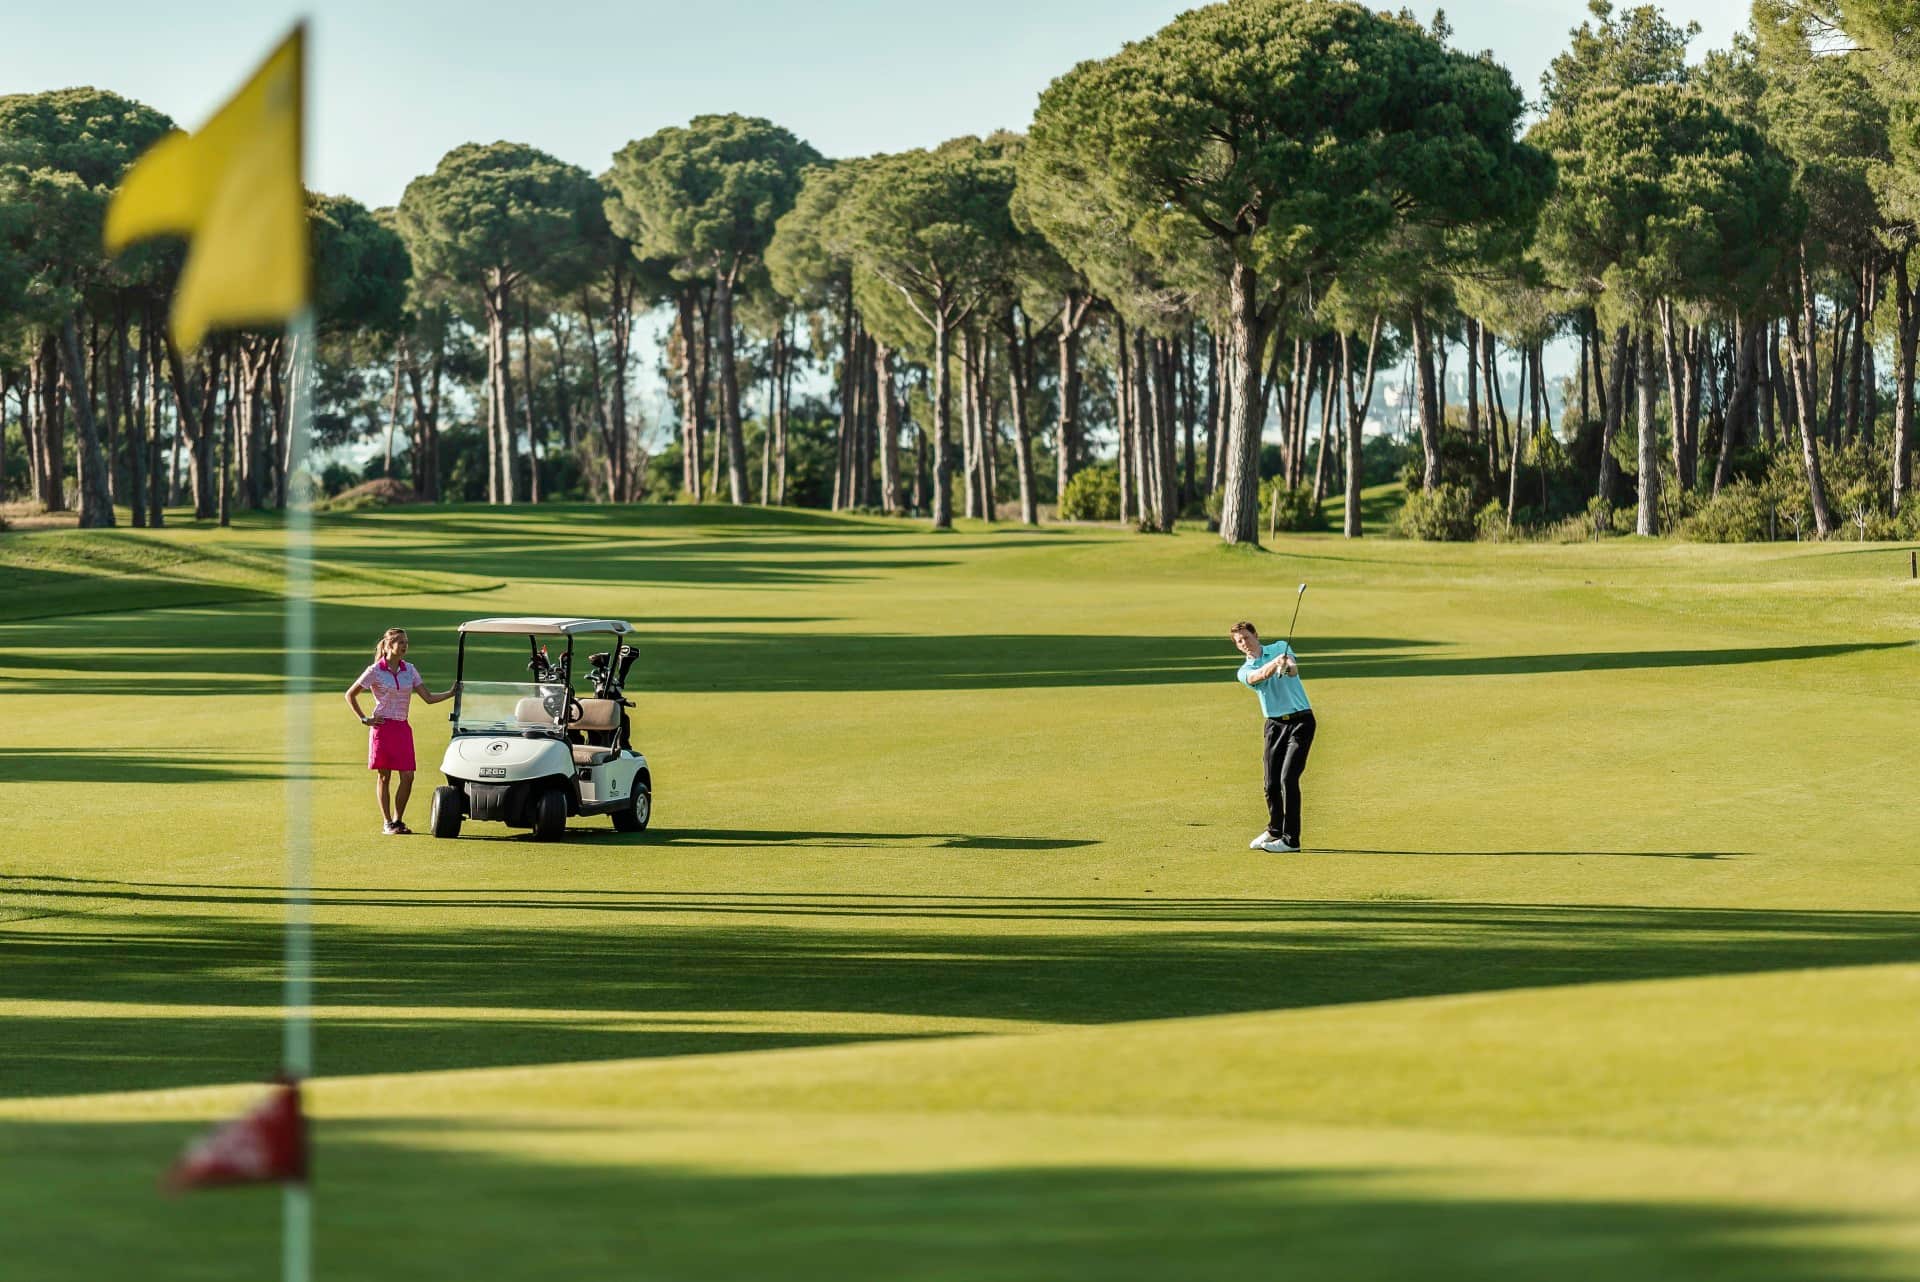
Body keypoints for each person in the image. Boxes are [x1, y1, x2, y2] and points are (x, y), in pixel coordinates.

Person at [345, 627, 453, 835]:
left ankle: (398, 819)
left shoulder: (409, 670)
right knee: (384, 777)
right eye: (401, 642)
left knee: (408, 776)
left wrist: (451, 693)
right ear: (389, 645)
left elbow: (428, 698)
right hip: (382, 728)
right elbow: (350, 694)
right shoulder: (375, 670)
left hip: (402, 728)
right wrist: (364, 719)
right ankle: (388, 823)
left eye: (406, 642)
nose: (405, 646)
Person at [1230, 620, 1315, 853]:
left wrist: (1285, 665)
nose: (1244, 643)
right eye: (1239, 641)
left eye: (1247, 637)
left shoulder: (1280, 647)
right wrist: (1275, 664)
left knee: (1288, 779)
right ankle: (1275, 830)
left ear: (1256, 635)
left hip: (1301, 721)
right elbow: (1257, 677)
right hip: (1275, 726)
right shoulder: (1243, 671)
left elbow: (1293, 669)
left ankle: (1291, 840)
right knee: (1270, 783)